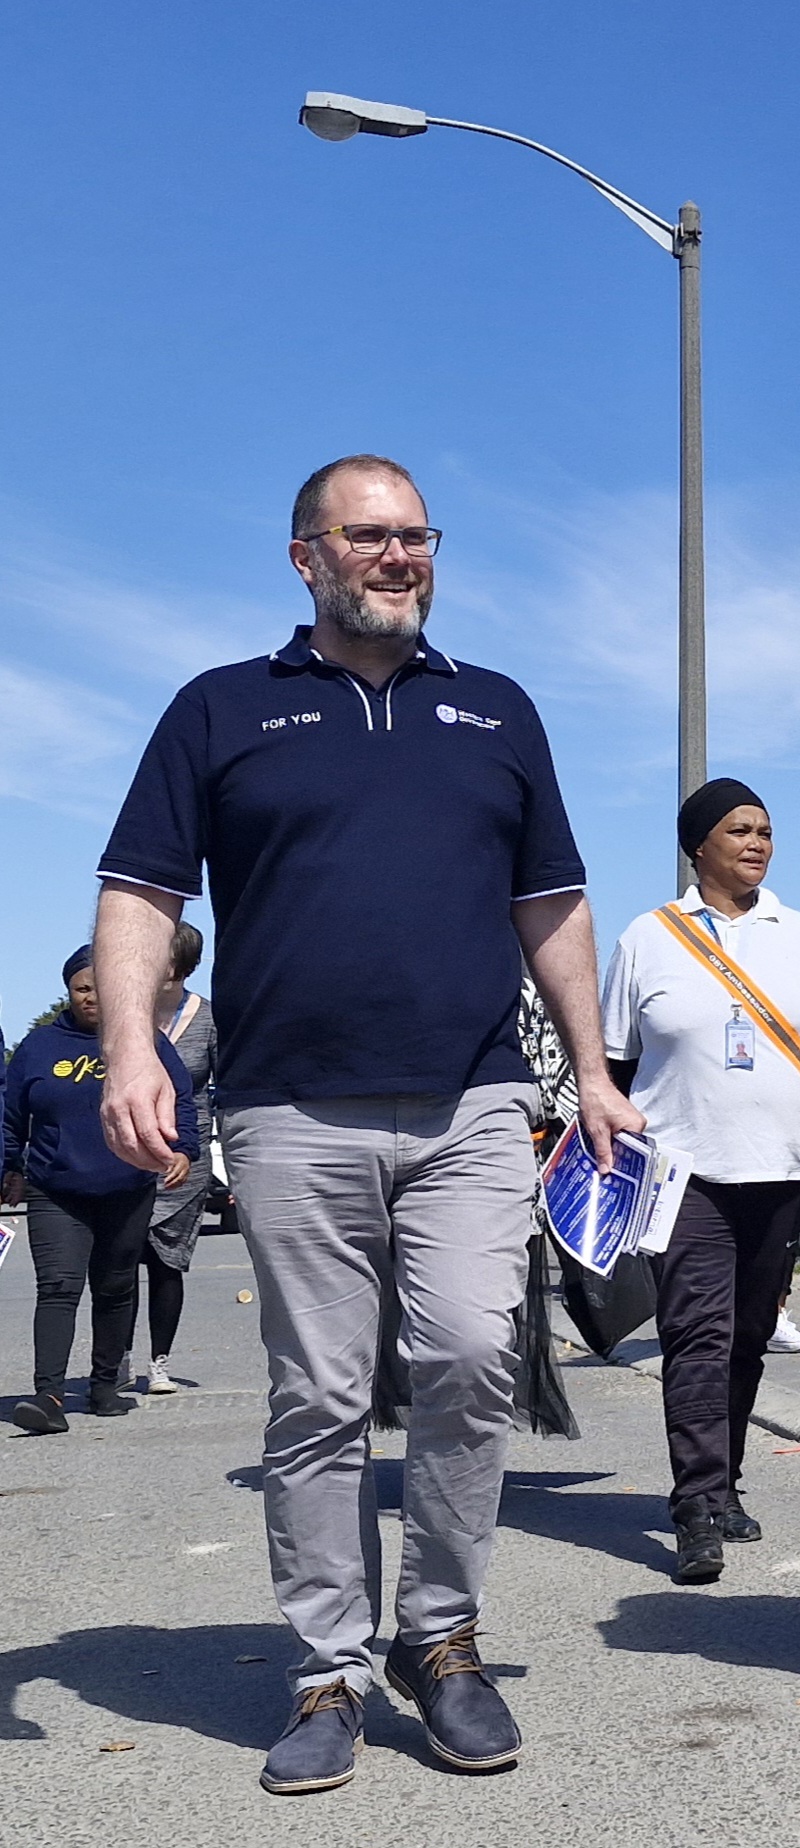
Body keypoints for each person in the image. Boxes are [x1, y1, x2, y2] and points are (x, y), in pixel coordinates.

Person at [92, 454, 642, 1795]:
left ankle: (440, 1639)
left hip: (473, 1104)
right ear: (307, 558)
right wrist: (132, 1047)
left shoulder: (495, 712)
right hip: (290, 1109)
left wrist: (594, 1068)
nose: (400, 558)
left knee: (467, 1361)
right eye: (369, 538)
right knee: (323, 1395)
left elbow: (553, 904)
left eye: (417, 537)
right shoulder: (222, 711)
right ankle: (331, 1668)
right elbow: (142, 892)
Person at [603, 778, 800, 1583]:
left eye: (765, 830)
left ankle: (724, 1480)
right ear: (699, 846)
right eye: (739, 829)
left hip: (782, 1169)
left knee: (751, 1333)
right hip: (680, 1171)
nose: (758, 842)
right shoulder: (648, 938)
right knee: (697, 1333)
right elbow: (617, 1063)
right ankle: (696, 1504)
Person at [3, 946, 196, 1432]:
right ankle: (48, 1395)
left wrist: (183, 1150)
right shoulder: (38, 1047)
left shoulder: (144, 1042)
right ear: (68, 991)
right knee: (58, 1287)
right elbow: (10, 1114)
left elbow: (181, 1096)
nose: (90, 997)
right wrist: (8, 1165)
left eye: (99, 988)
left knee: (114, 1287)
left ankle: (105, 1384)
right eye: (81, 989)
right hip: (55, 1186)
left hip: (127, 1185)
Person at [136, 921, 217, 1395]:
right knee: (121, 1261)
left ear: (177, 965)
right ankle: (115, 1360)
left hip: (186, 1156)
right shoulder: (127, 1015)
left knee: (168, 1262)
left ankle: (158, 1362)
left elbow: (223, 1085)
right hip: (128, 1152)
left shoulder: (208, 1018)